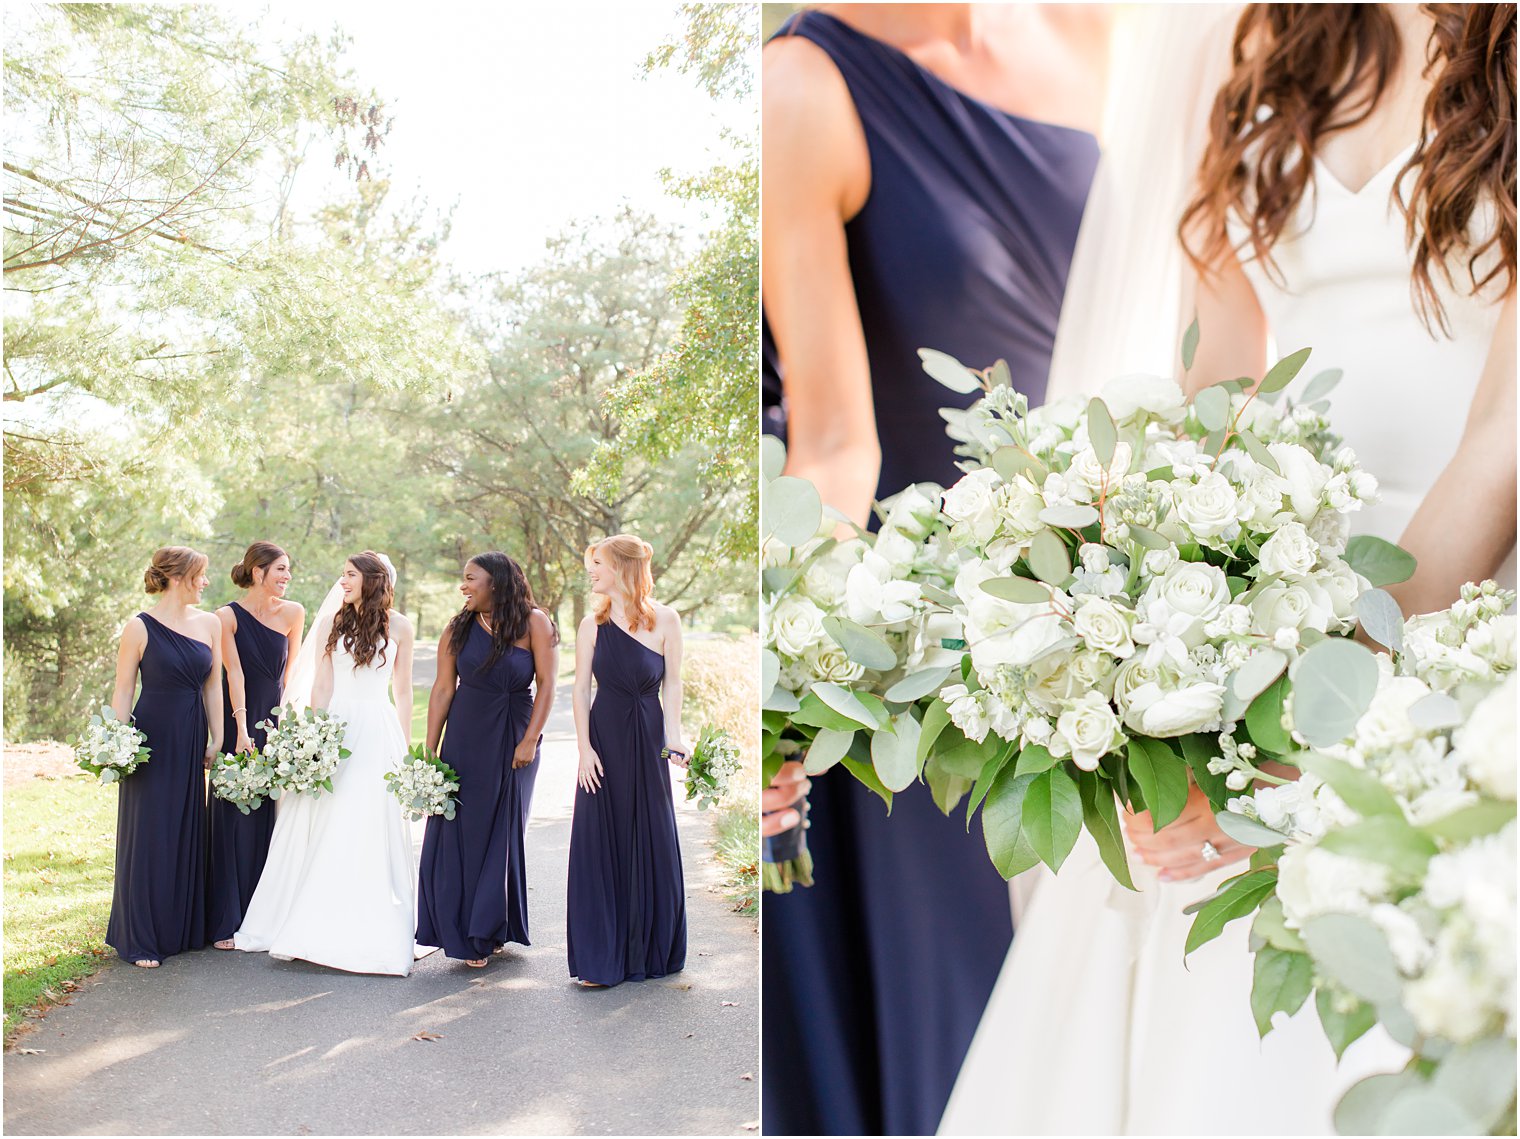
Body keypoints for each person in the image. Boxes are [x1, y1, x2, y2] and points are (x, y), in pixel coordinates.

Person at [941, 5, 1515, 1133]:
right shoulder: (1262, 42)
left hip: (1466, 594)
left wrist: (1302, 721)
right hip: (1274, 597)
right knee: (1160, 892)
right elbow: (1215, 404)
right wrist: (1179, 697)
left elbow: (1500, 446)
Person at [760, 5, 1110, 1132]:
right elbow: (832, 444)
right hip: (953, 659)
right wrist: (789, 679)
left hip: (1162, 599)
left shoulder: (1110, 31)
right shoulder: (803, 89)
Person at [234, 551, 418, 977]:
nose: (343, 581)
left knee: (369, 818)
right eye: (343, 574)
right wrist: (313, 735)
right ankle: (314, 918)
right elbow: (321, 683)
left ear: (372, 579)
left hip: (378, 729)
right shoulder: (336, 622)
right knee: (331, 816)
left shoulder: (401, 626)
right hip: (338, 729)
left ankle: (371, 923)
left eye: (350, 575)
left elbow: (403, 691)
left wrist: (405, 748)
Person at [417, 552, 558, 966]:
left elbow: (548, 686)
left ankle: (491, 925)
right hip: (465, 735)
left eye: (470, 578)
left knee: (502, 829)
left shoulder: (535, 622)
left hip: (516, 732)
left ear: (495, 581)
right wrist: (430, 748)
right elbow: (443, 690)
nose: (463, 586)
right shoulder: (458, 627)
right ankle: (466, 932)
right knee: (463, 830)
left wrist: (531, 738)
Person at [566, 534, 689, 988]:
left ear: (622, 567)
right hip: (604, 739)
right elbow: (580, 690)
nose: (591, 571)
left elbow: (673, 684)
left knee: (652, 832)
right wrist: (584, 748)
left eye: (598, 563)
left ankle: (651, 949)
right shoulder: (590, 625)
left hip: (649, 735)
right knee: (603, 838)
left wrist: (673, 736)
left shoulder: (667, 621)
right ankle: (603, 956)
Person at [106, 545, 223, 967]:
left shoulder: (209, 623)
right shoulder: (139, 626)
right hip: (151, 737)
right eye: (201, 575)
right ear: (177, 577)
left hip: (192, 734)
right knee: (150, 830)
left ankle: (179, 927)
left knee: (185, 825)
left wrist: (217, 736)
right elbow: (124, 688)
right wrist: (119, 744)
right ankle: (142, 937)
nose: (206, 582)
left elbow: (214, 684)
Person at [208, 541, 305, 950]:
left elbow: (294, 674)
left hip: (276, 724)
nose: (286, 577)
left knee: (270, 818)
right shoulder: (225, 617)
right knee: (234, 820)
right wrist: (243, 730)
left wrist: (291, 727)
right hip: (240, 722)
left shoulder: (294, 613)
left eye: (288, 570)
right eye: (279, 569)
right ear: (257, 570)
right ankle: (227, 920)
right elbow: (234, 676)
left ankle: (263, 916)